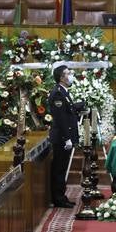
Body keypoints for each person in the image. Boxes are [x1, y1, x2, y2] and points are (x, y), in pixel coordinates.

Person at [48, 63, 82, 208]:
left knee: (63, 167)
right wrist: (67, 138)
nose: (71, 76)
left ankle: (61, 196)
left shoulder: (64, 92)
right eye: (68, 73)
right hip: (61, 138)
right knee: (59, 168)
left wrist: (81, 105)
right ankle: (58, 198)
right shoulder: (57, 93)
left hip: (65, 137)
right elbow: (60, 118)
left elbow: (70, 110)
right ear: (62, 77)